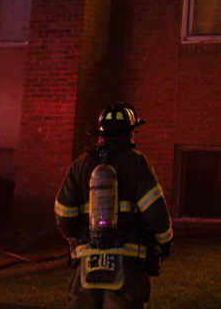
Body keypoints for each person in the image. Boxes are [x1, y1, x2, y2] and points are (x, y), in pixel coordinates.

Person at [55, 103, 174, 309]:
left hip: (87, 262)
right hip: (126, 263)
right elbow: (156, 212)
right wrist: (165, 242)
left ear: (100, 135)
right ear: (130, 133)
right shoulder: (137, 163)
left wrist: (78, 240)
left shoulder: (80, 165)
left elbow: (63, 213)